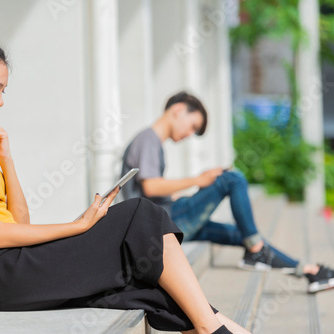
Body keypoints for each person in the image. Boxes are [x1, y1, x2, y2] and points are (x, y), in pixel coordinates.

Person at [0, 26, 251, 334]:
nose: (1, 101)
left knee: (146, 287)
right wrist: (78, 226)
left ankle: (219, 328)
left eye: (3, 91)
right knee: (140, 214)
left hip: (14, 265)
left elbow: (20, 221)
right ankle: (213, 328)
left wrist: (6, 160)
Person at [121, 91, 334, 294]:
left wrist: (183, 193)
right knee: (233, 179)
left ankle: (307, 271)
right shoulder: (148, 138)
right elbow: (151, 186)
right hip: (161, 224)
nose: (189, 134)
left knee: (245, 235)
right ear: (178, 110)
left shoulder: (152, 142)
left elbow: (149, 193)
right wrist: (198, 180)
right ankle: (258, 252)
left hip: (166, 221)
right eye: (192, 126)